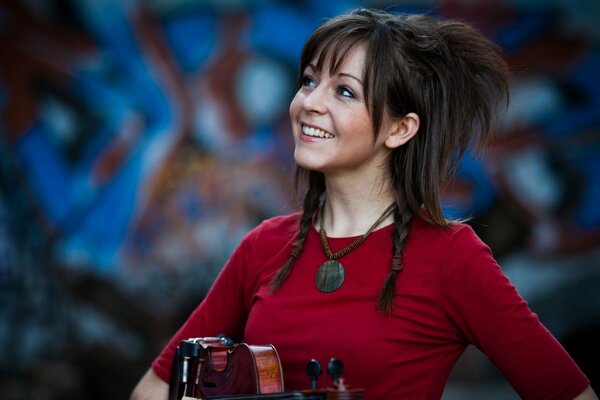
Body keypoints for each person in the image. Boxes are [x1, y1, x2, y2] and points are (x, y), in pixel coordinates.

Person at [131, 8, 597, 400]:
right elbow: (154, 388)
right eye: (310, 81)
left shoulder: (451, 257)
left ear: (400, 129)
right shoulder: (263, 245)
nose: (309, 103)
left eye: (345, 91)